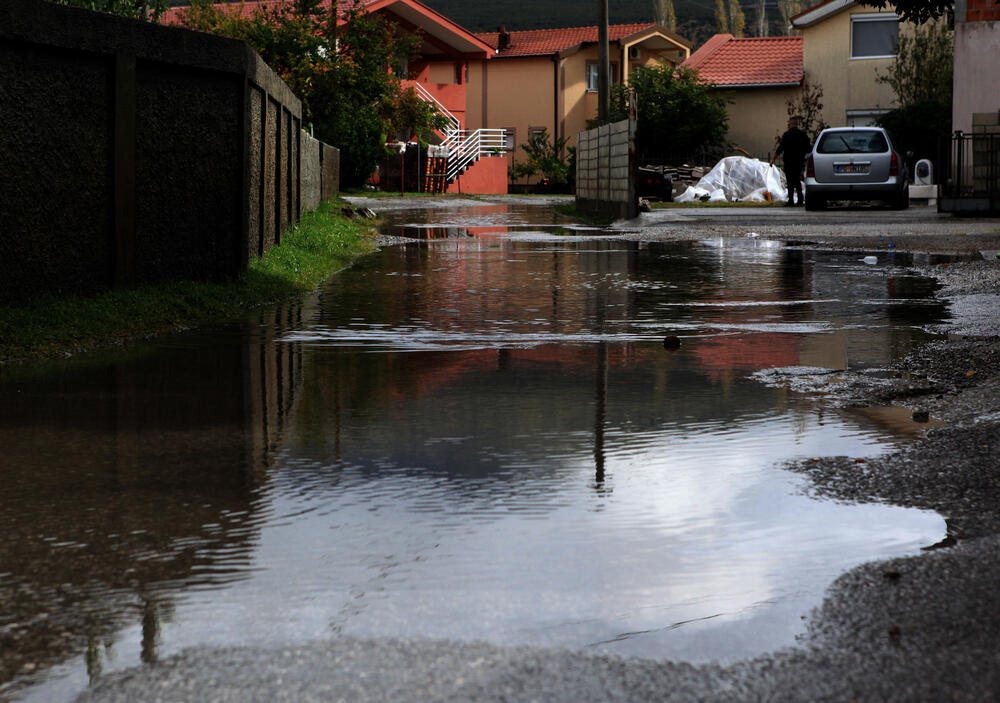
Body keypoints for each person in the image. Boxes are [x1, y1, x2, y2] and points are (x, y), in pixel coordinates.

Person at [770, 115, 811, 206]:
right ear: (797, 124)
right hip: (799, 161)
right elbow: (809, 148)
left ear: (791, 123)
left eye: (788, 123)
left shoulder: (786, 135)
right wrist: (805, 158)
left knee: (790, 182)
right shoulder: (802, 135)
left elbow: (780, 148)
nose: (788, 124)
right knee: (797, 181)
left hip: (789, 162)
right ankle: (800, 200)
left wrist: (773, 159)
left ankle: (791, 200)